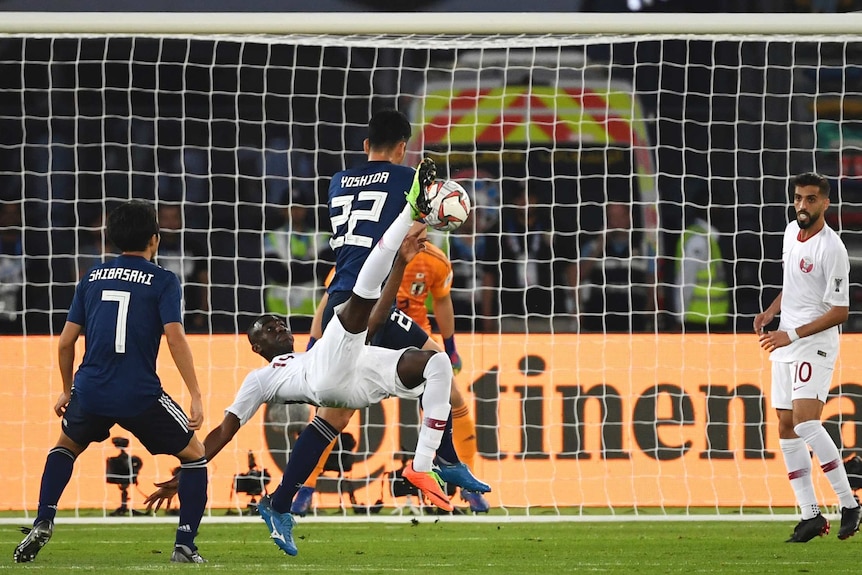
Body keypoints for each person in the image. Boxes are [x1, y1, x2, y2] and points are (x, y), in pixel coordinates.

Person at [144, 183, 488, 557]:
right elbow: (225, 430)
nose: (281, 328)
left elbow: (374, 322)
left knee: (436, 365)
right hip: (327, 374)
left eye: (281, 323)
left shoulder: (312, 351)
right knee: (362, 295)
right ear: (257, 348)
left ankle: (432, 463)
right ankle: (410, 213)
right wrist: (192, 466)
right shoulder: (260, 378)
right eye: (270, 329)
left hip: (353, 376)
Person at [13, 200, 209, 564]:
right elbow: (176, 337)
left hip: (91, 390)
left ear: (113, 240)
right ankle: (185, 545)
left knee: (64, 447)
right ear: (155, 239)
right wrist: (196, 394)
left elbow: (66, 342)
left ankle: (44, 518)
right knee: (195, 457)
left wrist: (67, 389)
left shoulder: (92, 276)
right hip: (140, 395)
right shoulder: (164, 280)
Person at [294, 227, 488, 514]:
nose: (420, 230)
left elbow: (443, 301)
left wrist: (451, 346)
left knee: (451, 395)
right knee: (334, 412)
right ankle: (304, 488)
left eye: (424, 225)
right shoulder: (366, 256)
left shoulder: (435, 260)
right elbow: (330, 299)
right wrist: (313, 344)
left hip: (413, 341)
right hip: (368, 338)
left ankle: (468, 487)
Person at [754, 172, 861, 543]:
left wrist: (792, 334)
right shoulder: (789, 232)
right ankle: (810, 515)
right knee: (784, 425)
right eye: (798, 198)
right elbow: (792, 284)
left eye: (810, 199)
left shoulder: (832, 249)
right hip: (785, 339)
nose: (802, 205)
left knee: (804, 422)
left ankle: (849, 503)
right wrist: (771, 312)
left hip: (814, 342)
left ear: (825, 203)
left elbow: (841, 310)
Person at [576, 202, 654, 333]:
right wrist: (599, 248)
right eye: (612, 217)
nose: (616, 222)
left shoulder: (645, 249)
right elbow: (579, 276)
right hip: (599, 321)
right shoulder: (592, 247)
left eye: (620, 216)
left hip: (633, 321)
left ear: (629, 218)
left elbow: (652, 283)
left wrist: (648, 311)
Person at [672, 195, 730, 332]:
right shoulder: (698, 240)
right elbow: (686, 280)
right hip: (696, 320)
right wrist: (680, 317)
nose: (720, 211)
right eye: (716, 207)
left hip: (713, 318)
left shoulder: (710, 239)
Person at [156, 204, 210, 333]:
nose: (170, 223)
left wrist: (202, 312)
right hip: (159, 317)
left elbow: (205, 281)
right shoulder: (151, 248)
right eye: (165, 218)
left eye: (174, 217)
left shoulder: (194, 247)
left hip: (191, 315)